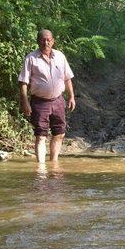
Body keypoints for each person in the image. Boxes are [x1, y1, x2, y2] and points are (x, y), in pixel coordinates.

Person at [18, 29, 76, 163]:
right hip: (39, 102)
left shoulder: (60, 56)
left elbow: (67, 78)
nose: (46, 42)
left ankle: (54, 163)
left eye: (48, 39)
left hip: (58, 101)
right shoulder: (31, 58)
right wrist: (25, 101)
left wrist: (71, 96)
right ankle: (41, 168)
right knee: (40, 135)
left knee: (59, 133)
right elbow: (23, 82)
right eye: (43, 40)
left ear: (53, 41)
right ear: (38, 41)